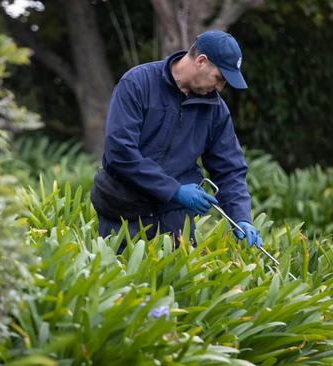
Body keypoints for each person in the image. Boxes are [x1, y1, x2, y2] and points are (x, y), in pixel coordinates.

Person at [91, 30, 263, 253]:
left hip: (174, 218)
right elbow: (120, 152)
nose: (220, 88)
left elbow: (230, 169)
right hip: (123, 211)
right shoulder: (138, 83)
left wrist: (241, 217)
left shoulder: (216, 110)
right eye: (219, 78)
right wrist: (174, 189)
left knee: (176, 285)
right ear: (201, 61)